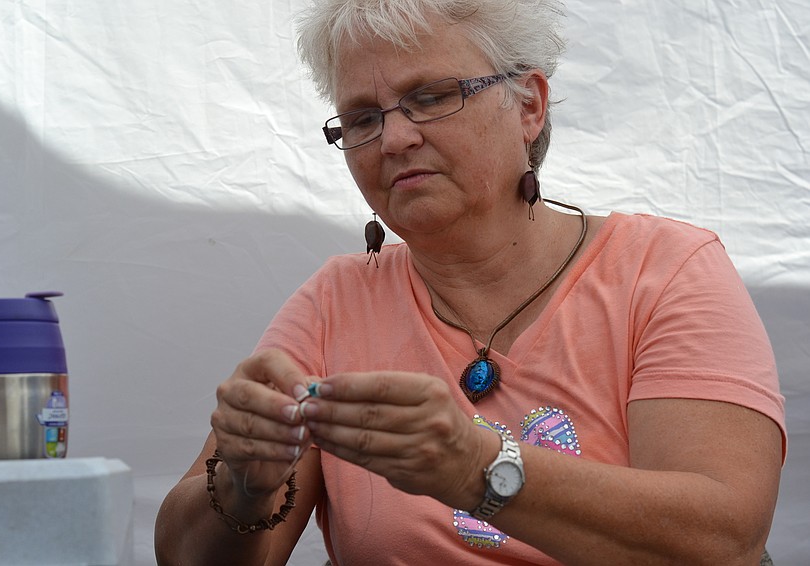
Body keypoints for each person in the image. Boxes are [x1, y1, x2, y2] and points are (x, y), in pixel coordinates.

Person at [155, 0, 786, 564]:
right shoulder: (334, 302)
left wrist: (475, 468)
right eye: (361, 117)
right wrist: (243, 481)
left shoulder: (663, 269)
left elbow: (723, 542)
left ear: (529, 107)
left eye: (431, 96)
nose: (395, 138)